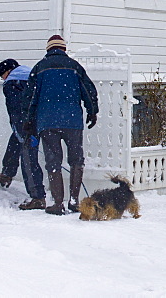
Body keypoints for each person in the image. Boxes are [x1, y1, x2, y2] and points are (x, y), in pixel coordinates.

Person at [23, 35, 99, 215]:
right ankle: (73, 201)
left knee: (53, 162)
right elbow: (88, 90)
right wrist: (92, 111)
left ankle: (58, 203)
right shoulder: (74, 67)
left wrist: (29, 120)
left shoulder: (39, 68)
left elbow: (30, 98)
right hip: (72, 121)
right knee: (76, 160)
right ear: (64, 49)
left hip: (47, 122)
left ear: (48, 49)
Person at [0, 58, 47, 210]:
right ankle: (7, 173)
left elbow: (16, 112)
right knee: (14, 141)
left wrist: (23, 132)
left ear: (8, 72)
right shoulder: (33, 76)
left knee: (28, 158)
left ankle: (38, 197)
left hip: (26, 124)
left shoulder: (12, 84)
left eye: (2, 76)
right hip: (43, 120)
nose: (3, 79)